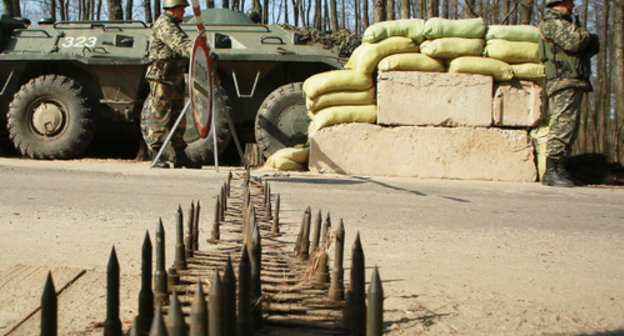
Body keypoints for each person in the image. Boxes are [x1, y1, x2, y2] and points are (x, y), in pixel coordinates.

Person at [538, 0, 599, 186]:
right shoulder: (552, 23)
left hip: (572, 80)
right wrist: (586, 36)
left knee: (570, 126)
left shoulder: (564, 24)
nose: (573, 5)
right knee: (562, 124)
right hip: (563, 80)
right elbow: (575, 42)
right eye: (570, 2)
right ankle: (552, 170)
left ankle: (560, 169)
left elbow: (587, 46)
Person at [144, 0, 201, 168]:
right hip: (163, 77)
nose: (184, 12)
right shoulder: (164, 25)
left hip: (174, 77)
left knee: (178, 116)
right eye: (182, 9)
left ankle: (179, 155)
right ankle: (157, 153)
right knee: (160, 114)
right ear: (173, 9)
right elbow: (181, 44)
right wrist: (202, 53)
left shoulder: (174, 25)